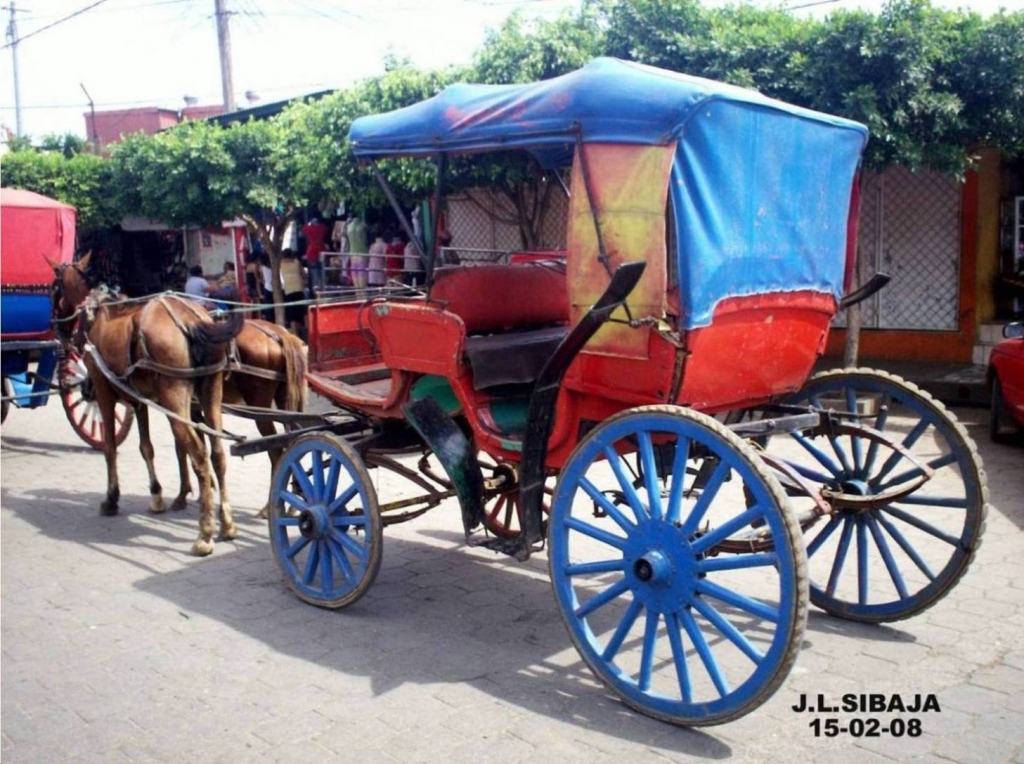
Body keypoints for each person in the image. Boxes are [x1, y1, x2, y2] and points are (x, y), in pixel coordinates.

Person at [279, 249, 307, 336]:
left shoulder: (281, 264)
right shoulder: (297, 262)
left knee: (292, 315)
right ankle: (307, 333)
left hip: (289, 290)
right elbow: (303, 274)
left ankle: (296, 335)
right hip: (299, 289)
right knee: (301, 312)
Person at [303, 216, 328, 298]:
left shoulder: (309, 229)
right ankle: (323, 292)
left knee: (315, 275)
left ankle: (316, 295)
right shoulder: (322, 228)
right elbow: (326, 229)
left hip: (312, 252)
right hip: (321, 251)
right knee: (323, 273)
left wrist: (310, 223)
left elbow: (304, 228)